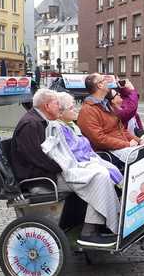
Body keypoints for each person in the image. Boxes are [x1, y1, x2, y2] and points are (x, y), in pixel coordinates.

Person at [11, 89, 119, 247]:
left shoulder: (40, 120)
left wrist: (69, 165)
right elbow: (38, 159)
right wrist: (66, 167)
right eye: (57, 104)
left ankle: (101, 224)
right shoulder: (31, 124)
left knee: (100, 173)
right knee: (98, 177)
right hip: (42, 179)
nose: (59, 108)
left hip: (52, 172)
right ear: (47, 105)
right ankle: (89, 232)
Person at [77, 73, 144, 171]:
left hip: (121, 146)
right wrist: (127, 144)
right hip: (109, 151)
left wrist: (139, 141)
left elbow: (122, 130)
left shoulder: (105, 105)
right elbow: (99, 139)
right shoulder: (88, 110)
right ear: (99, 85)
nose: (107, 82)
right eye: (104, 80)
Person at [109, 79, 144, 146]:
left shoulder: (119, 105)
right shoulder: (115, 111)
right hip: (127, 140)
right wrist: (132, 90)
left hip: (134, 134)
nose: (119, 94)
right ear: (112, 100)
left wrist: (122, 88)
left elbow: (127, 98)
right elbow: (131, 107)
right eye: (117, 94)